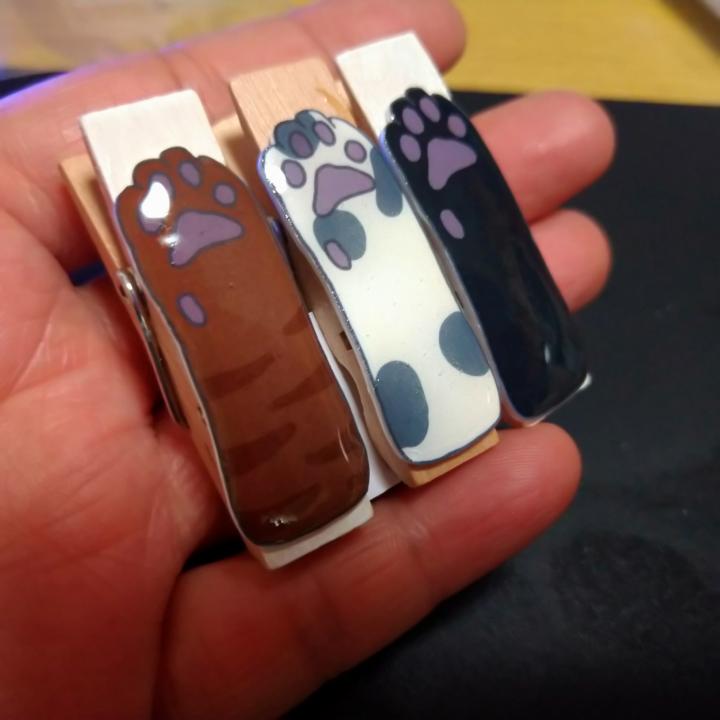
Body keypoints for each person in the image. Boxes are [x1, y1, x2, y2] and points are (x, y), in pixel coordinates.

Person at [0, 0, 614, 717]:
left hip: (347, 401)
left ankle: (257, 309)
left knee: (323, 327)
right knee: (324, 325)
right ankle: (266, 303)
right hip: (374, 395)